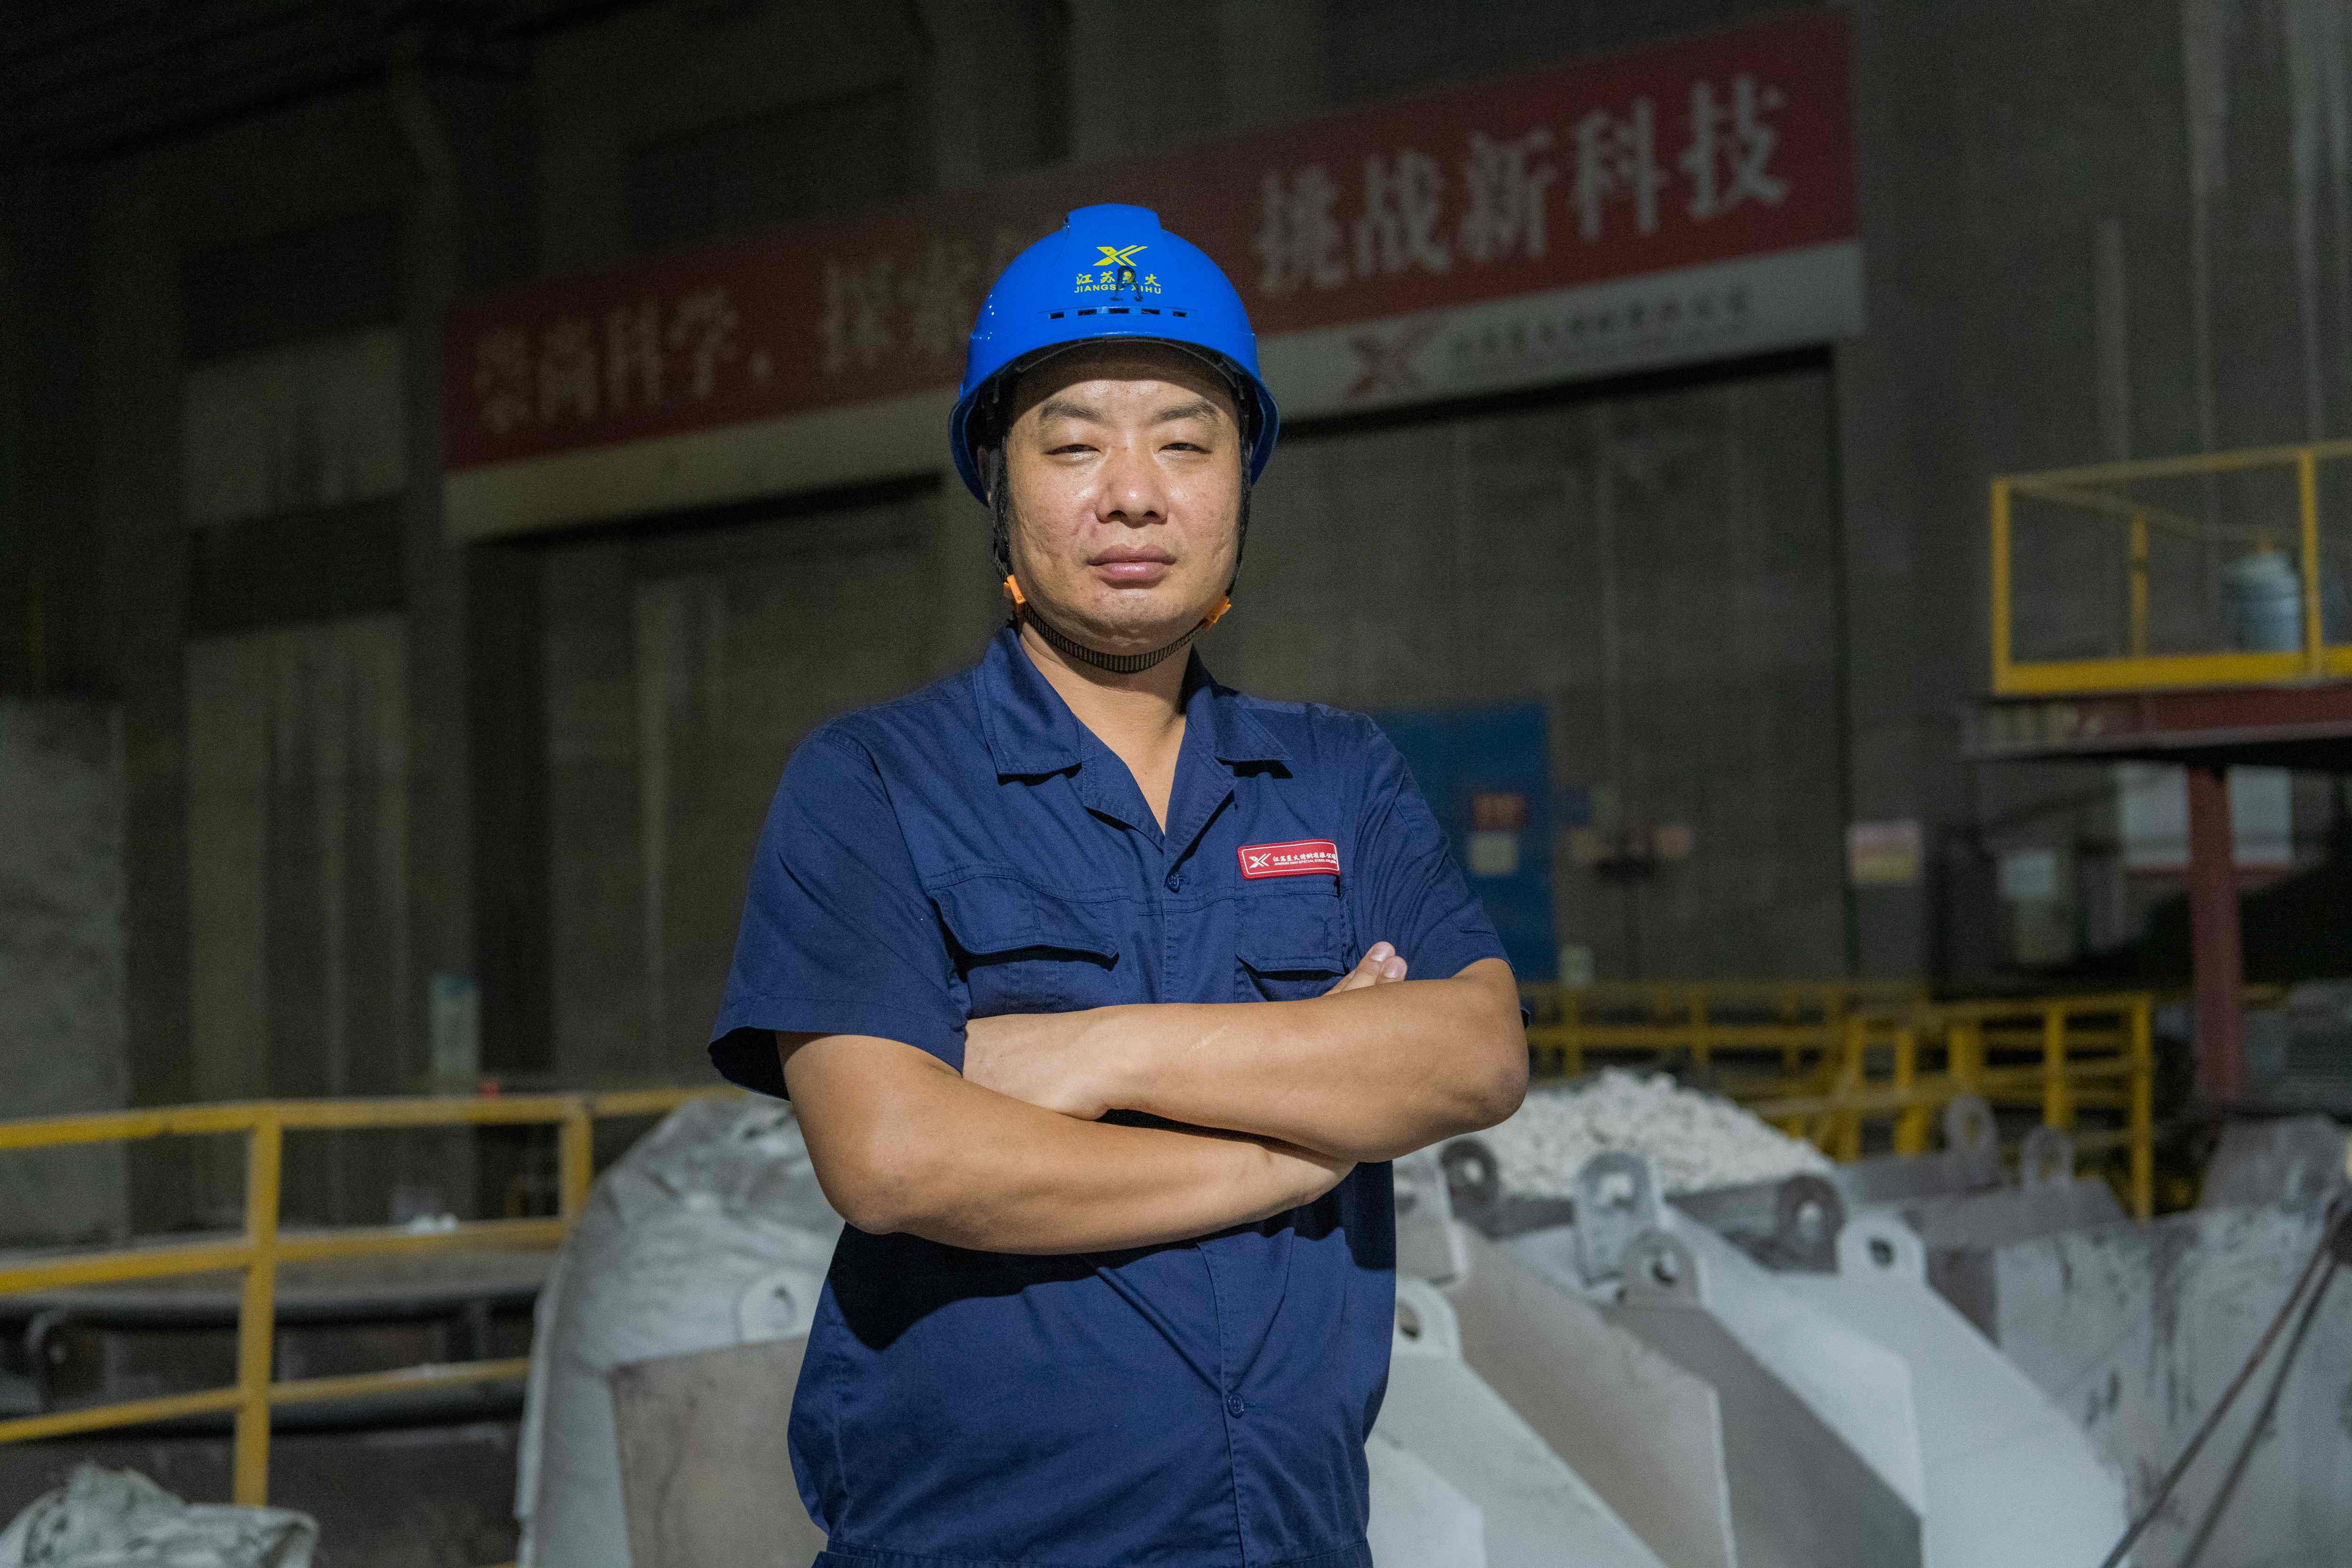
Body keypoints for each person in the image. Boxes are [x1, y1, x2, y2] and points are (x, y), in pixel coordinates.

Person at [709, 203, 1527, 1568]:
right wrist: (1292, 1150)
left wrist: (1098, 1051)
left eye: (1186, 444)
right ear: (998, 483)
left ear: (1242, 485)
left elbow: (1477, 1052)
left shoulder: (1335, 776)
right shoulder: (875, 782)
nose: (1134, 494)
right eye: (1076, 443)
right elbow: (896, 1158)